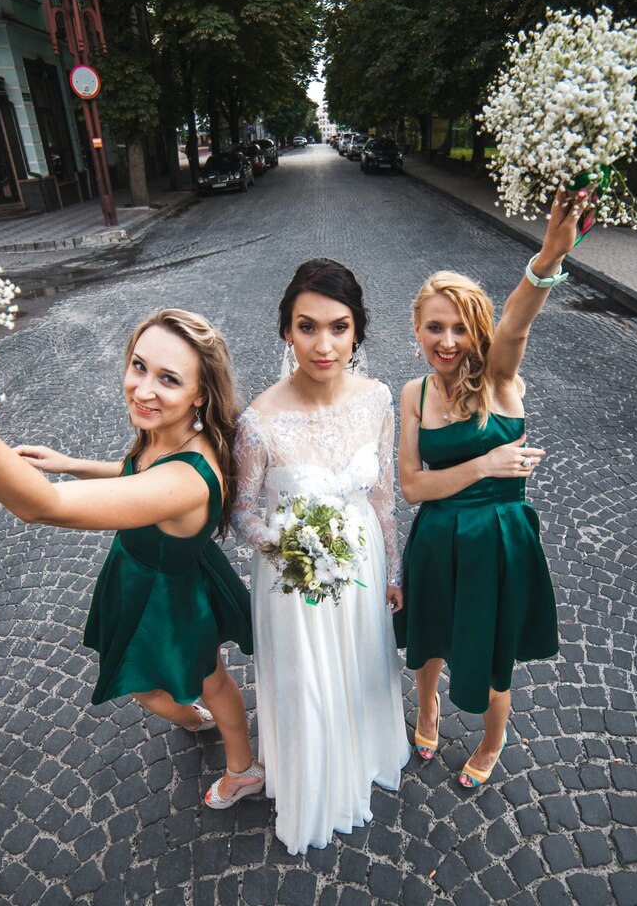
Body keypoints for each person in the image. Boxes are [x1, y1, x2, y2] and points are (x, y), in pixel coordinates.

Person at [0, 309, 262, 807]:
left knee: (192, 680)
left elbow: (43, 506)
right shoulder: (171, 435)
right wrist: (72, 463)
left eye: (168, 379)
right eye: (139, 367)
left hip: (169, 591)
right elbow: (138, 475)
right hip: (155, 573)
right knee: (200, 677)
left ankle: (242, 768)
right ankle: (198, 722)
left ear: (200, 394)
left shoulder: (185, 477)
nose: (143, 390)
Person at [394, 188, 587, 789]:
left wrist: (549, 257)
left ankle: (492, 739)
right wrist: (484, 465)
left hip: (500, 541)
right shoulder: (413, 395)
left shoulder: (501, 377)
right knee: (428, 641)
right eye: (433, 328)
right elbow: (410, 488)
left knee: (493, 652)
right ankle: (426, 708)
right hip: (436, 536)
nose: (446, 341)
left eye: (458, 328)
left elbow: (519, 315)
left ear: (477, 331)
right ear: (418, 330)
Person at [231, 258, 409, 854]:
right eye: (307, 327)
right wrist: (290, 550)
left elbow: (383, 492)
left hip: (360, 563)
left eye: (338, 327)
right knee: (307, 679)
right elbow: (242, 513)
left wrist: (392, 567)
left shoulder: (378, 399)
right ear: (286, 331)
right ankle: (313, 783)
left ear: (357, 330)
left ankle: (362, 753)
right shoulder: (258, 421)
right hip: (294, 573)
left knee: (360, 664)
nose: (323, 343)